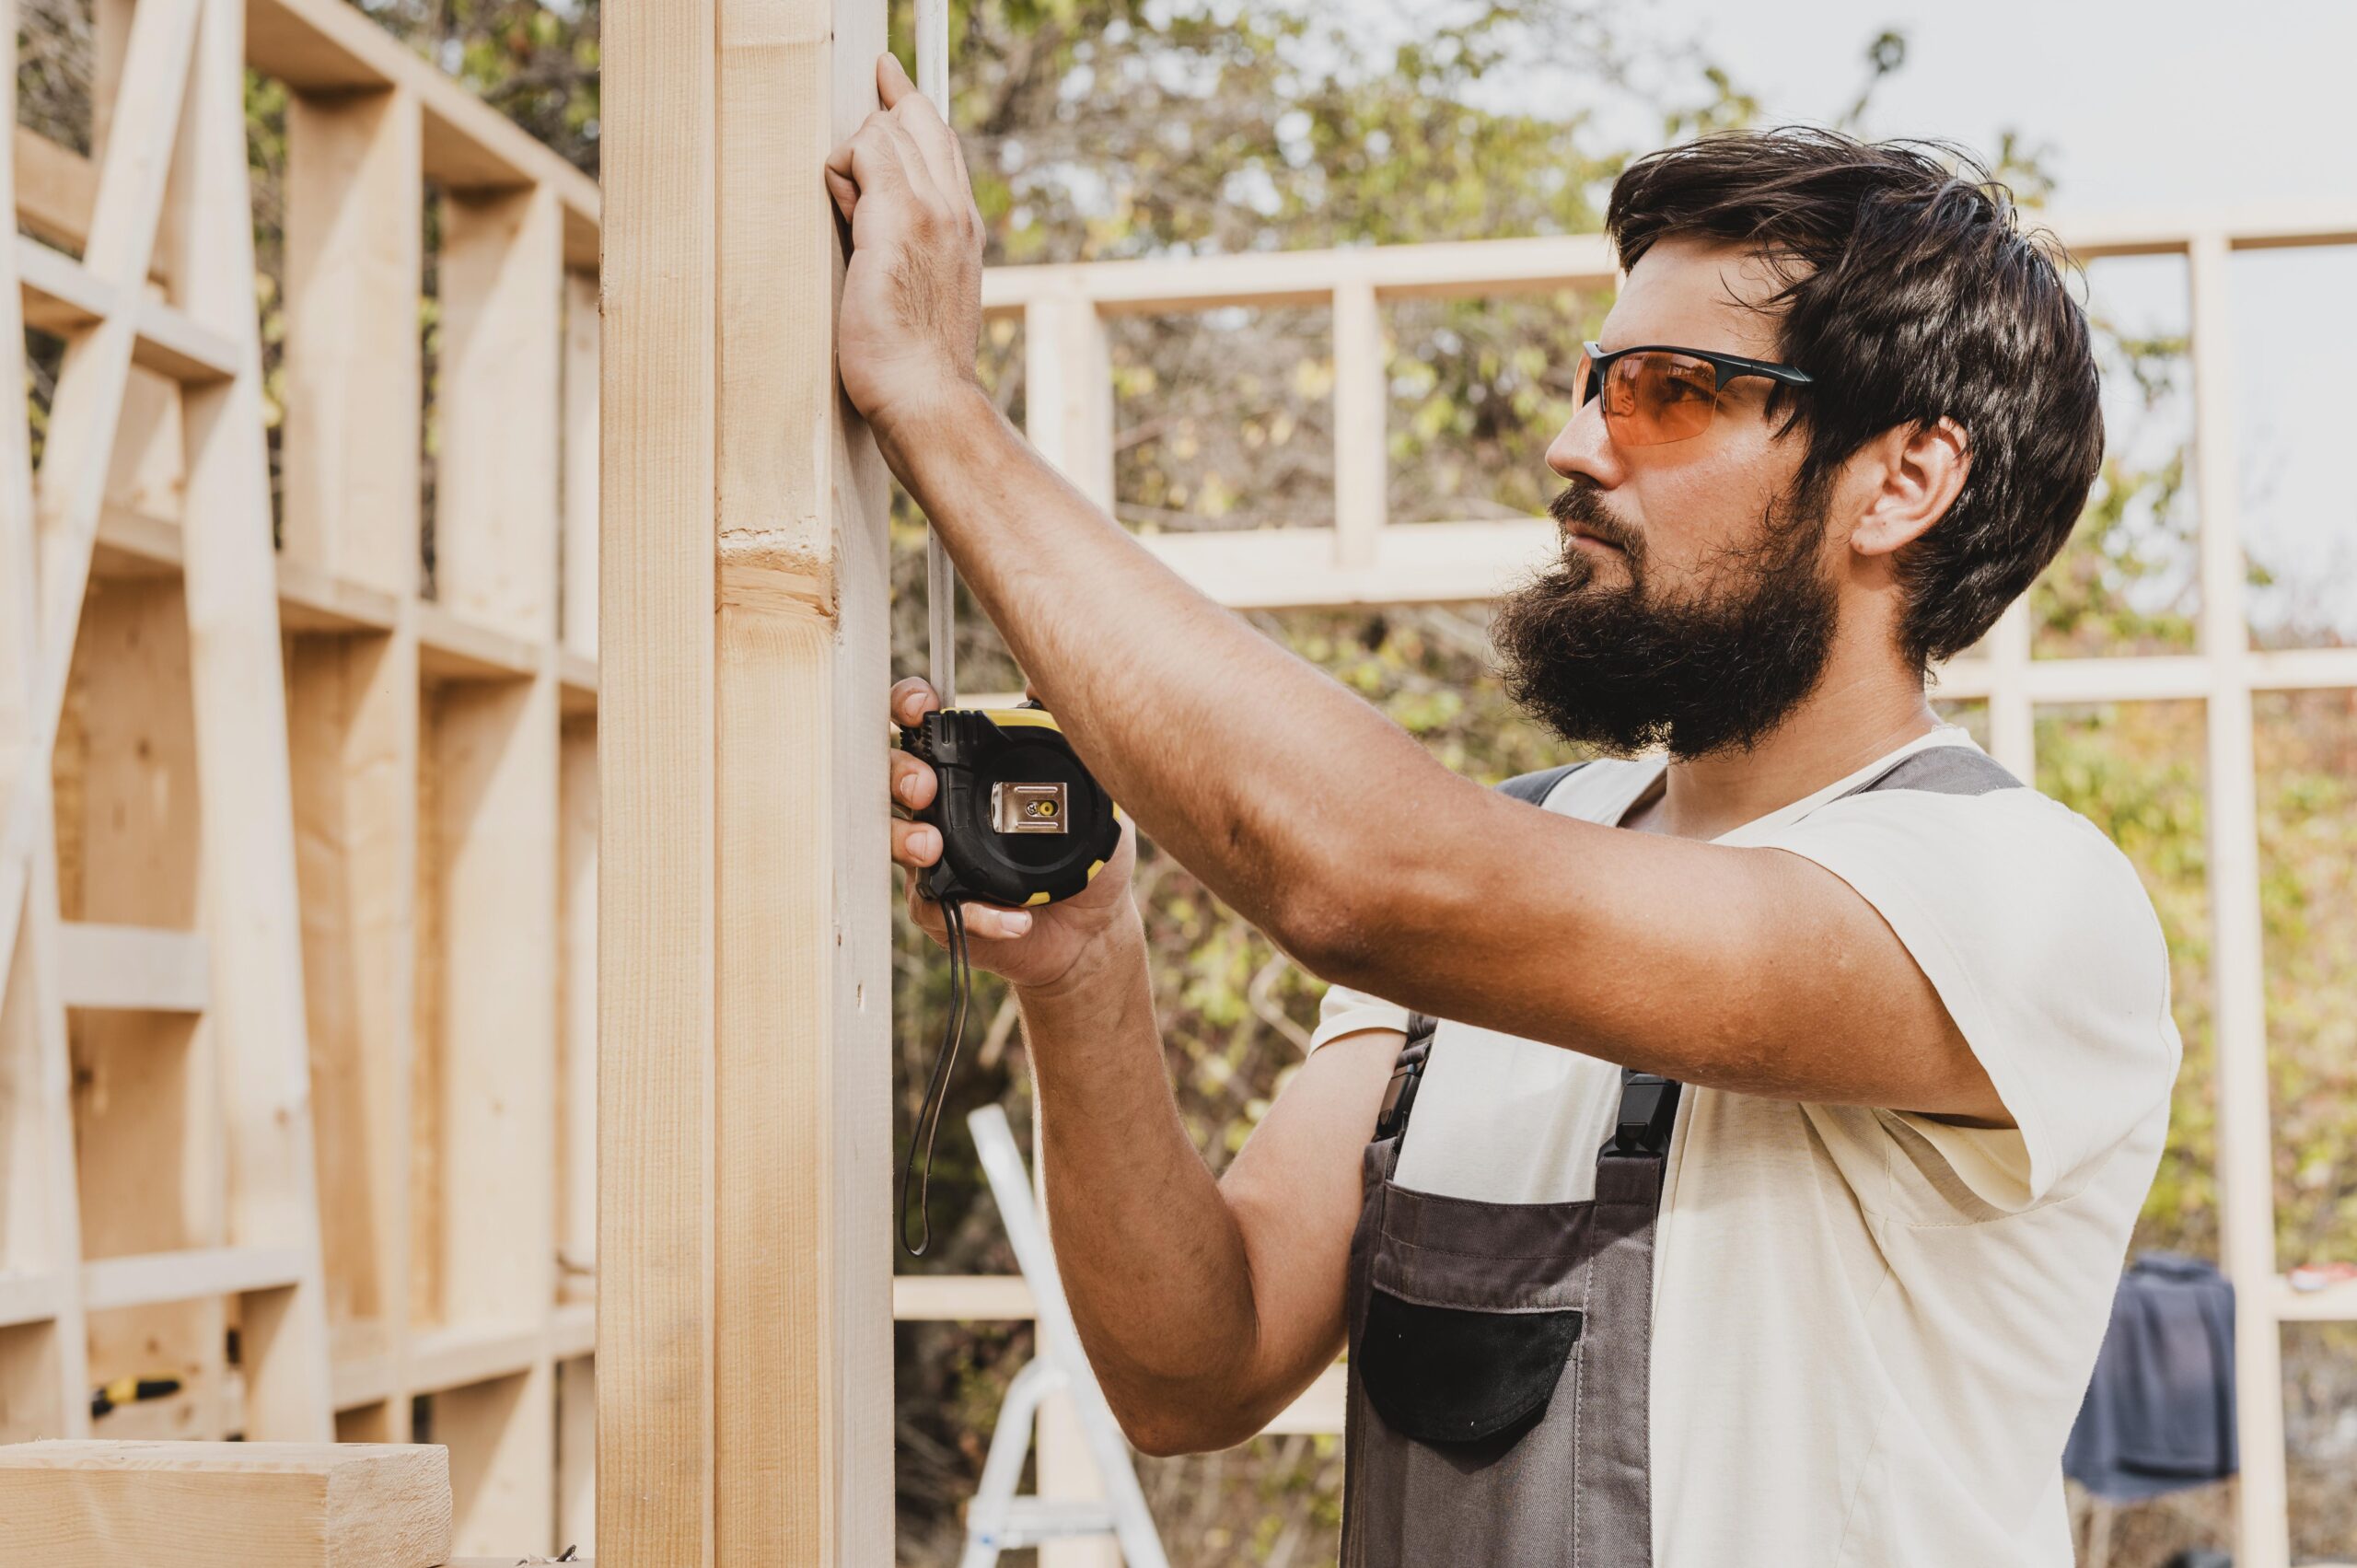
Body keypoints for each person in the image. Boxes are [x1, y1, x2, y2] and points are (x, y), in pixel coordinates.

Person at [826, 52, 2178, 1568]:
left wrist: (938, 403)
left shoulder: (2014, 896)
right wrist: (1086, 972)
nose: (1577, 444)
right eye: (1597, 380)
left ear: (1902, 483)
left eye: (1671, 393)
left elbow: (1372, 878)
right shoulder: (1526, 852)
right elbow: (1192, 1370)